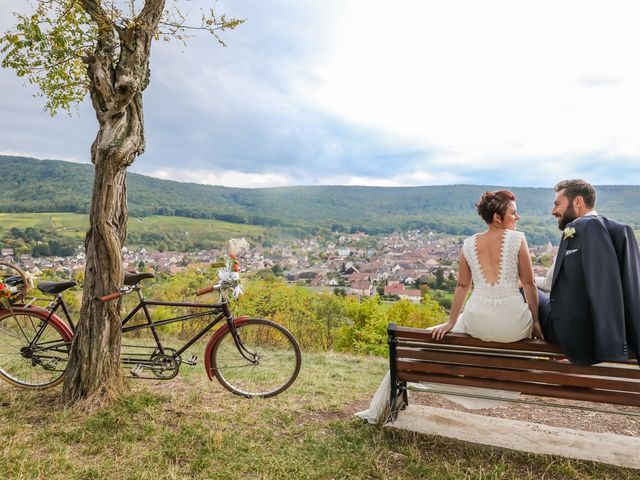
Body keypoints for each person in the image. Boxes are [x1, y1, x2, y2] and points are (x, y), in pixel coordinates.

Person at [537, 179, 640, 365]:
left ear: (577, 202)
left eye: (557, 204)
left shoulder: (579, 228)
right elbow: (633, 289)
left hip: (577, 339)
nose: (553, 211)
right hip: (617, 339)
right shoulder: (621, 230)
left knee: (528, 293)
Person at [431, 190, 542, 342]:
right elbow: (529, 283)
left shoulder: (468, 244)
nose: (518, 217)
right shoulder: (518, 238)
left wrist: (451, 322)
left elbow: (462, 286)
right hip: (512, 325)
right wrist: (536, 322)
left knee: (464, 320)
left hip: (477, 324)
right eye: (513, 213)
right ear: (497, 217)